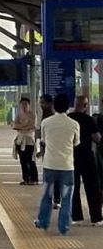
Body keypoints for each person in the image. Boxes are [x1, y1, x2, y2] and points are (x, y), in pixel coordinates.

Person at [36, 93, 79, 236]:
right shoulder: (74, 124)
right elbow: (76, 143)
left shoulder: (46, 123)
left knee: (46, 195)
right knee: (66, 198)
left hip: (50, 165)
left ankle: (43, 222)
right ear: (68, 106)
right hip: (67, 166)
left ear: (54, 106)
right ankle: (64, 227)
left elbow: (43, 141)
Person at [69, 96, 102, 226]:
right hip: (87, 157)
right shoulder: (89, 120)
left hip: (71, 157)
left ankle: (76, 217)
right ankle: (96, 218)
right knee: (92, 187)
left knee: (74, 187)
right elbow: (97, 138)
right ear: (85, 106)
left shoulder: (69, 119)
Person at [38, 94, 61, 208]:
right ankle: (51, 199)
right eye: (40, 102)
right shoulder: (44, 117)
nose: (41, 105)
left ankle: (56, 199)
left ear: (50, 103)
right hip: (47, 151)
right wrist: (41, 150)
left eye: (43, 102)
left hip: (54, 151)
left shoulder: (51, 117)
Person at [11, 97, 38, 184]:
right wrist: (25, 127)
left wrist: (21, 126)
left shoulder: (33, 115)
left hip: (29, 141)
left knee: (31, 160)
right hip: (20, 140)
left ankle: (34, 179)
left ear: (29, 105)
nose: (24, 106)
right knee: (23, 161)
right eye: (22, 104)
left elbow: (32, 126)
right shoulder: (18, 115)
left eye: (26, 104)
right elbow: (15, 126)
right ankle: (25, 179)